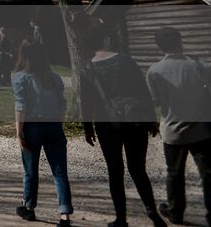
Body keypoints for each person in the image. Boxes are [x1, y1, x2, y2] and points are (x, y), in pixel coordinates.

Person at [81, 25, 166, 227]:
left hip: (106, 125)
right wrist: (151, 119)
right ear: (105, 40)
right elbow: (142, 91)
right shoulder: (125, 60)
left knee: (115, 171)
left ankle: (121, 218)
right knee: (138, 170)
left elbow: (86, 102)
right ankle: (152, 211)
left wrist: (87, 128)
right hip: (134, 120)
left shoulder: (88, 68)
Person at [147, 27, 211, 226]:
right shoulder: (200, 66)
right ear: (180, 41)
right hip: (202, 130)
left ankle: (175, 212)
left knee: (174, 173)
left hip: (173, 131)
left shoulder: (154, 71)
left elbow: (155, 102)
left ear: (159, 46)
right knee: (209, 174)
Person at [12, 40, 73, 225]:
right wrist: (58, 125)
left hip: (32, 127)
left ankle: (29, 207)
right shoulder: (54, 77)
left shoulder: (20, 77)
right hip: (53, 125)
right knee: (60, 171)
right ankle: (64, 214)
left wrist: (19, 132)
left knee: (31, 170)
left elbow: (21, 107)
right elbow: (62, 105)